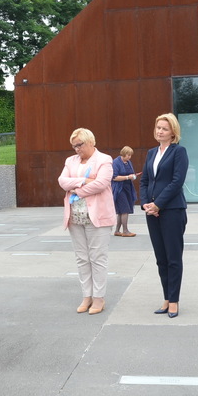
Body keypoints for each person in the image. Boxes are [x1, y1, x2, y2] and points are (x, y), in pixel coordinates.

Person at [58, 129, 115, 315]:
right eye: (74, 146)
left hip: (97, 217)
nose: (76, 149)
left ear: (91, 142)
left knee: (97, 258)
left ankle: (99, 298)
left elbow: (102, 183)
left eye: (79, 145)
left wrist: (77, 190)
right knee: (82, 258)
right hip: (75, 217)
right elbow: (62, 181)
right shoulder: (70, 161)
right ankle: (86, 296)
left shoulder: (104, 159)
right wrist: (84, 180)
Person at [139, 113, 188, 318]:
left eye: (164, 128)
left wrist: (159, 204)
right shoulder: (151, 153)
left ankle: (174, 300)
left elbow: (177, 182)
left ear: (173, 132)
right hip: (152, 213)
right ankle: (166, 298)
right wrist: (145, 205)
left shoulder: (179, 152)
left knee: (173, 257)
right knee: (161, 258)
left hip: (172, 211)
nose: (160, 131)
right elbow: (145, 181)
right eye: (158, 127)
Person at [111, 146, 140, 237]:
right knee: (125, 209)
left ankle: (117, 231)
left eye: (130, 155)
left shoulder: (128, 162)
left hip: (128, 188)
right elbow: (114, 177)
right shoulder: (116, 162)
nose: (129, 157)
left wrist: (133, 176)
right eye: (128, 155)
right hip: (119, 189)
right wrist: (127, 177)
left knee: (121, 211)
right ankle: (125, 231)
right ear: (123, 154)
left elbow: (131, 173)